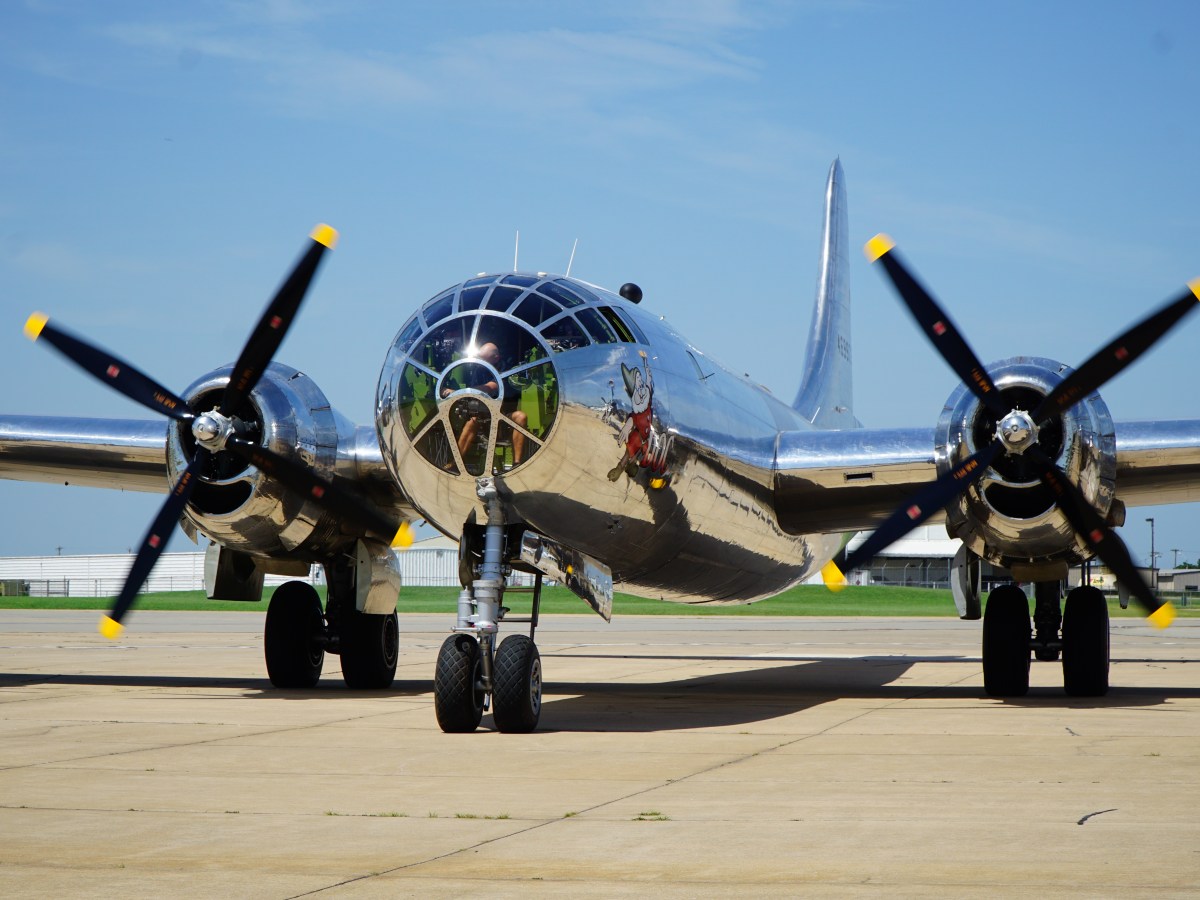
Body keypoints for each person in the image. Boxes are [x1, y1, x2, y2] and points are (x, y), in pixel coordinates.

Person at [444, 342, 529, 467]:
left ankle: (517, 462)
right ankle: (455, 463)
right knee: (472, 422)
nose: (481, 363)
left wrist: (458, 392)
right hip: (484, 415)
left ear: (496, 358)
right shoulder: (479, 370)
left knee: (521, 417)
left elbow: (490, 387)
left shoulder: (507, 370)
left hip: (504, 415)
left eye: (485, 360)